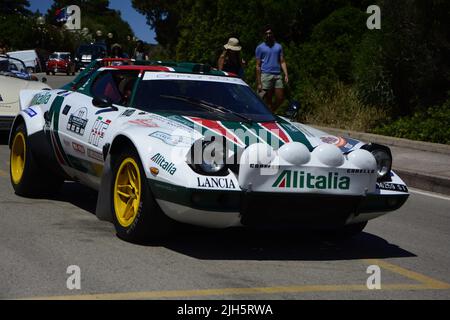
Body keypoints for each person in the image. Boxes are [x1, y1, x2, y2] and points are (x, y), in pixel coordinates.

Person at [255, 25, 289, 112]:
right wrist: (259, 82)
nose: (268, 35)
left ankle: (270, 112)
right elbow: (258, 65)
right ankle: (260, 114)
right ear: (264, 35)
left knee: (280, 97)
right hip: (265, 74)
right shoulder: (260, 47)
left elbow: (282, 61)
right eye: (266, 33)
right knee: (262, 98)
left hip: (277, 74)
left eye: (270, 33)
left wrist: (286, 74)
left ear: (273, 34)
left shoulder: (278, 47)